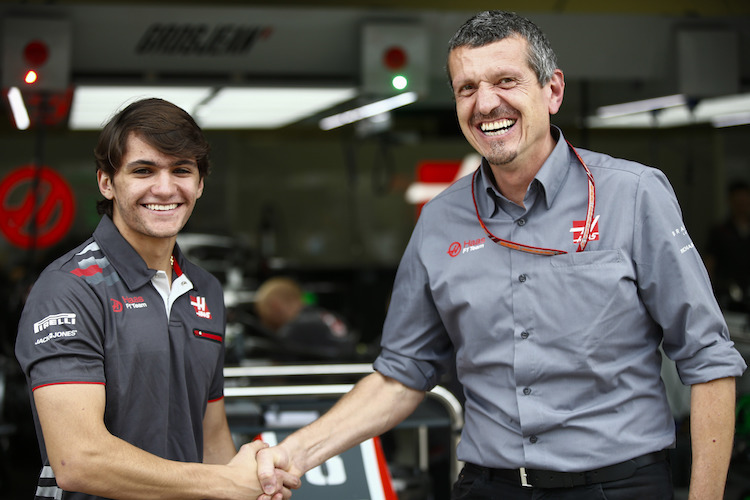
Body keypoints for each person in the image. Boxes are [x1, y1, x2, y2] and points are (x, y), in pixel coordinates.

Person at [255, 10, 747, 500]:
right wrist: (294, 453)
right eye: (467, 88)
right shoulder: (439, 220)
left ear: (552, 91)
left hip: (618, 486)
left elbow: (708, 358)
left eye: (506, 80)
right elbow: (401, 375)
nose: (486, 103)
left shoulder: (633, 195)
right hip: (489, 487)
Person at [14, 98, 294, 500]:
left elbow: (211, 439)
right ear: (106, 182)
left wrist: (254, 487)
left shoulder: (206, 291)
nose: (165, 188)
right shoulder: (69, 288)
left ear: (199, 184)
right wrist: (225, 483)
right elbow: (78, 460)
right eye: (143, 170)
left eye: (181, 170)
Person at [253, 277, 357, 362]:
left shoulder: (293, 329)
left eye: (262, 313)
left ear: (275, 305)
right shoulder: (330, 316)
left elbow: (278, 377)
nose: (264, 322)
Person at [704, 180, 750, 312]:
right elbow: (709, 264)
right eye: (738, 202)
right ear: (730, 202)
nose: (742, 205)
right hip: (727, 295)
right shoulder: (720, 232)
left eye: (745, 201)